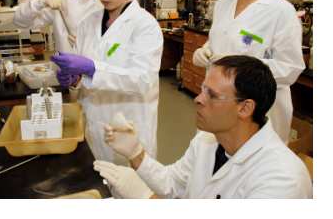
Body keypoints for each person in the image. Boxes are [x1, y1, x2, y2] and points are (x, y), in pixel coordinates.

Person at [94, 56, 312, 198]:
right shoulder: (208, 140)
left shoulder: (281, 180)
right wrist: (136, 154)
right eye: (202, 89)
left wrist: (145, 199)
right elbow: (174, 183)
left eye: (212, 95)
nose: (197, 99)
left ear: (245, 108)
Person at [51, 0, 163, 164]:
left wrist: (93, 68)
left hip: (129, 129)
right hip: (94, 126)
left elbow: (142, 80)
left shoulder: (144, 25)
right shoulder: (88, 23)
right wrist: (74, 79)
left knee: (131, 190)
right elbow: (84, 76)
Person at [192, 0, 303, 142]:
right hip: (217, 106)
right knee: (210, 166)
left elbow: (290, 68)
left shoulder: (281, 11)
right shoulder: (224, 2)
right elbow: (222, 39)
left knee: (251, 171)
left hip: (257, 116)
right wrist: (205, 50)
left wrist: (242, 71)